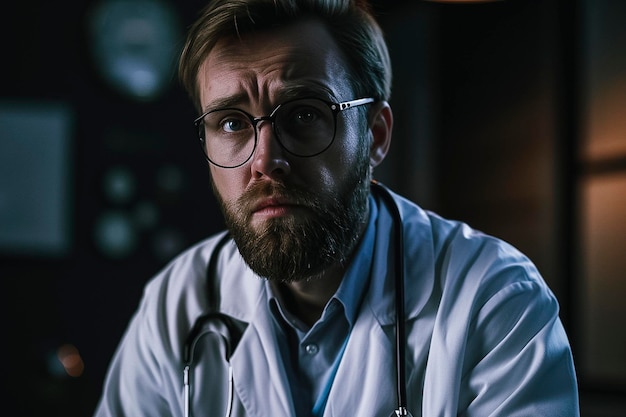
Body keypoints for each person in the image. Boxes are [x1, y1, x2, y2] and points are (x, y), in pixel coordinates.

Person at [93, 0, 580, 416]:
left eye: (305, 114)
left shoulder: (495, 302)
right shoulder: (175, 306)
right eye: (230, 123)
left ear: (375, 135)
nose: (265, 160)